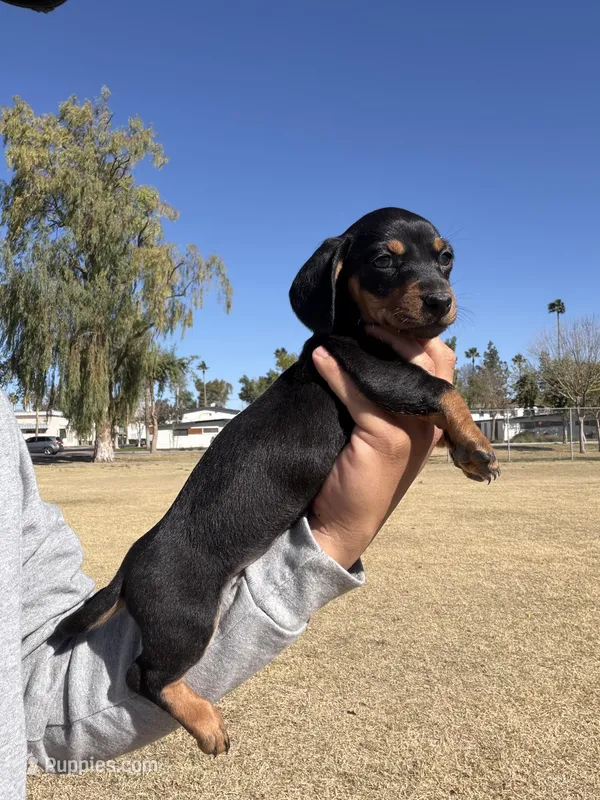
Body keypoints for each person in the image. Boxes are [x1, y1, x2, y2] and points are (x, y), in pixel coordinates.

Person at [0, 329, 455, 797]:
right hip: (176, 567)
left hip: (162, 563)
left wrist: (334, 538)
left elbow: (31, 676)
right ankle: (158, 682)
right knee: (188, 626)